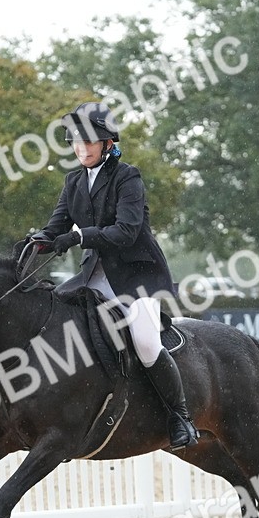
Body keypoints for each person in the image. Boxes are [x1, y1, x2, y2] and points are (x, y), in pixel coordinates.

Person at [22, 101, 198, 450]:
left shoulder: (127, 177)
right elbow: (55, 226)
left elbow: (126, 232)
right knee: (51, 321)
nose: (80, 148)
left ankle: (180, 417)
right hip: (93, 276)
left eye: (88, 142)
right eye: (75, 141)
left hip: (135, 277)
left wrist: (79, 236)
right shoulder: (73, 181)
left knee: (147, 342)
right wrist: (34, 243)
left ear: (107, 143)